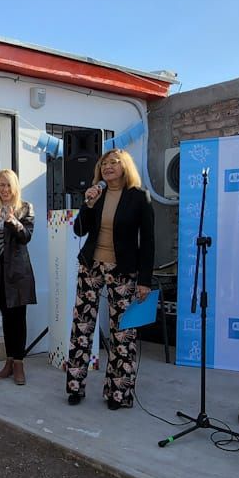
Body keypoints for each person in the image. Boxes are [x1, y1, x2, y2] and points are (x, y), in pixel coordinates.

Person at [64, 149, 155, 410]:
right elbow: (79, 229)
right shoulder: (97, 194)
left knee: (122, 333)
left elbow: (148, 241)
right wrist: (87, 203)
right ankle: (75, 387)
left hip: (123, 269)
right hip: (91, 265)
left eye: (114, 162)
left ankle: (118, 393)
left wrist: (144, 280)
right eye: (104, 163)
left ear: (125, 167)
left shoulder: (139, 197)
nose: (108, 167)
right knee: (82, 328)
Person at [0, 169, 36, 385]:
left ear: (15, 187)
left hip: (18, 274)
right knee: (6, 318)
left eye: (8, 185)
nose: (4, 189)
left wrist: (12, 220)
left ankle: (19, 364)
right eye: (1, 185)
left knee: (18, 319)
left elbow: (26, 237)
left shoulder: (25, 208)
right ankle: (9, 362)